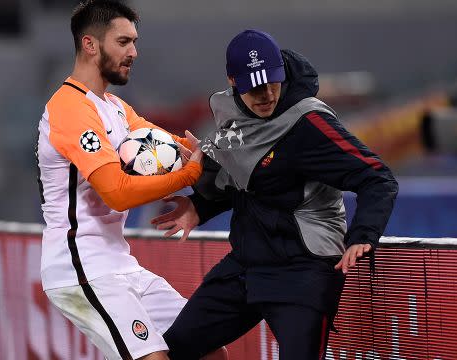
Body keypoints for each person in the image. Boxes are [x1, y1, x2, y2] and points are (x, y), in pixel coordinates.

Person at [152, 30, 399, 359]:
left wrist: (363, 234)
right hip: (246, 266)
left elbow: (378, 177)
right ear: (233, 80)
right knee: (172, 352)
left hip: (303, 271)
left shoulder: (309, 123)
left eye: (273, 82)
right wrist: (199, 207)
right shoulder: (231, 115)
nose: (267, 94)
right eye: (255, 87)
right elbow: (252, 182)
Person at [36, 1, 226, 359]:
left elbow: (180, 146)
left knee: (210, 351)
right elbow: (117, 193)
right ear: (90, 44)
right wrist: (188, 174)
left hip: (120, 264)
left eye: (134, 42)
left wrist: (217, 153)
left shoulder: (116, 107)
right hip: (81, 268)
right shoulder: (70, 109)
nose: (134, 52)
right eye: (123, 42)